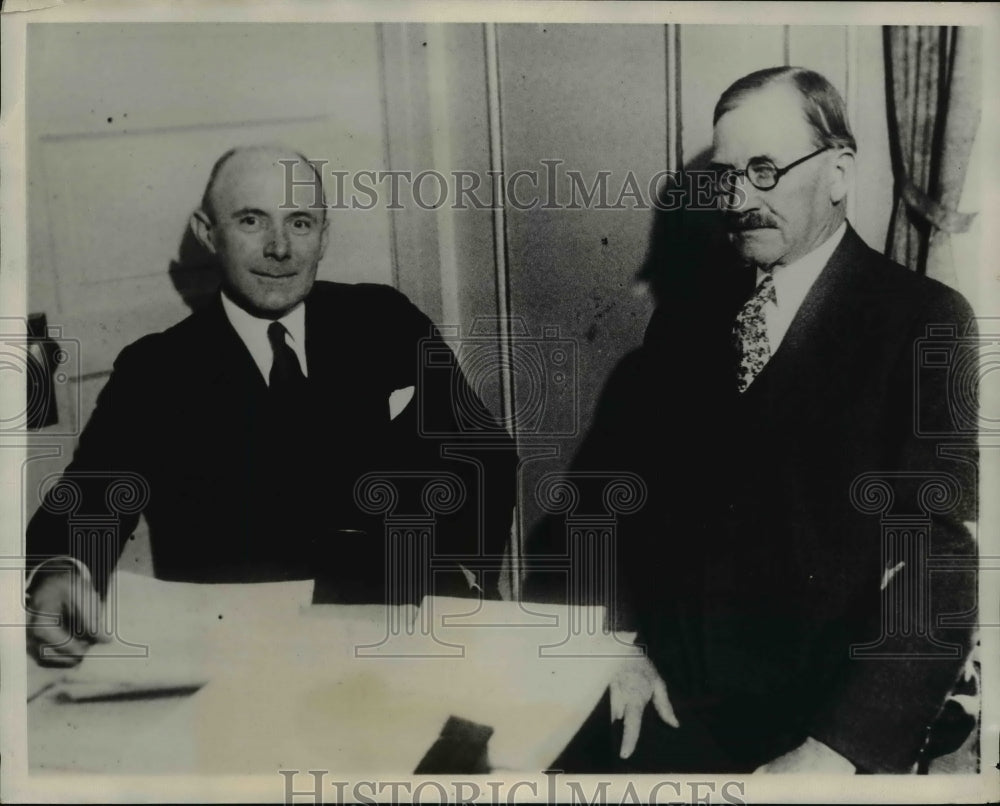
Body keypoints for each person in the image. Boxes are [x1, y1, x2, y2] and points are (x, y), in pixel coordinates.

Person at [542, 67, 978, 774]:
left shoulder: (923, 322)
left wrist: (837, 752)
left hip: (816, 732)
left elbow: (940, 565)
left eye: (766, 169)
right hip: (663, 708)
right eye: (728, 175)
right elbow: (601, 504)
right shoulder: (683, 325)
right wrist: (618, 649)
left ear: (838, 172)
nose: (741, 197)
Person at [26, 145, 518, 666]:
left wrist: (466, 578)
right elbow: (90, 499)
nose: (279, 248)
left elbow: (482, 453)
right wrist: (62, 570)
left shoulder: (385, 319)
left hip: (410, 627)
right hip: (254, 656)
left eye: (300, 223)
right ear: (208, 232)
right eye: (251, 221)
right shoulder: (157, 371)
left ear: (324, 236)